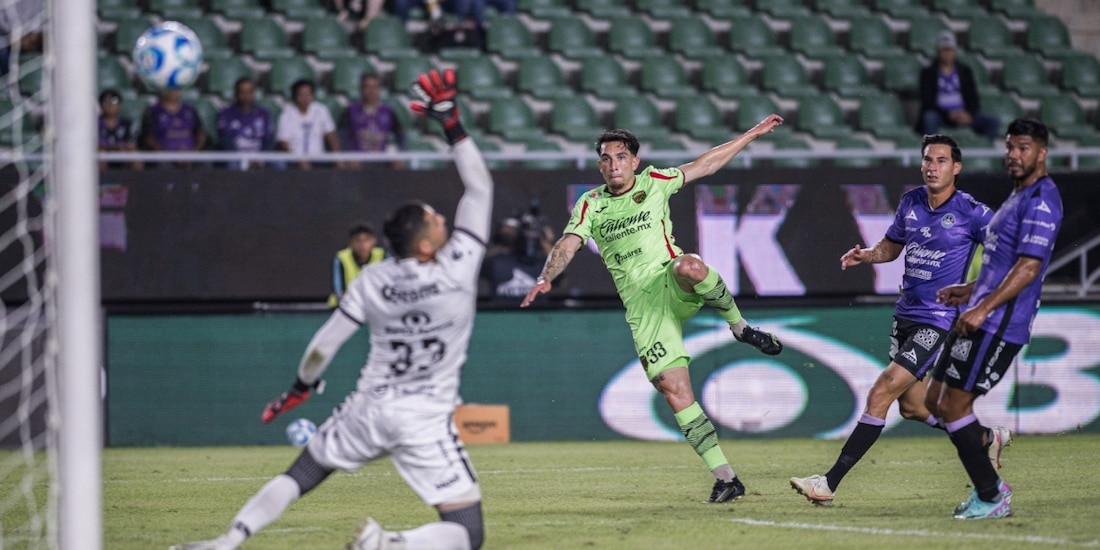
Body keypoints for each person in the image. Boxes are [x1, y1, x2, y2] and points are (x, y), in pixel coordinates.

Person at [170, 69, 491, 550]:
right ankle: (390, 545)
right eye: (434, 218)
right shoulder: (458, 268)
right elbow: (479, 189)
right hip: (424, 417)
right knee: (468, 531)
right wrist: (452, 124)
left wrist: (301, 387)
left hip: (369, 408)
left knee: (301, 473)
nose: (443, 218)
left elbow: (324, 345)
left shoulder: (373, 279)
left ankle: (228, 540)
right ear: (426, 245)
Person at [520, 118, 785, 503]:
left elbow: (706, 164)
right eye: (606, 158)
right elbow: (569, 242)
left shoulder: (656, 181)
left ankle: (740, 327)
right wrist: (546, 277)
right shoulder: (591, 204)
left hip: (669, 281)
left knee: (690, 265)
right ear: (599, 166)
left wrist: (750, 135)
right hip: (643, 308)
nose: (613, 164)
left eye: (621, 157)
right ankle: (726, 478)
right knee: (674, 390)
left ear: (635, 162)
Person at [788, 134, 1003, 507]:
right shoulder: (911, 202)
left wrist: (974, 291)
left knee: (881, 391)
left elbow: (1007, 256)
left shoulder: (973, 212)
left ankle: (827, 483)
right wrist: (868, 255)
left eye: (941, 160)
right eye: (927, 160)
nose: (932, 167)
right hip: (905, 315)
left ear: (956, 167)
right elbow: (892, 246)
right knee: (913, 407)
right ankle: (984, 437)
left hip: (937, 320)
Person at [927, 118, 1062, 520]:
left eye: (1023, 148)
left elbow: (1028, 268)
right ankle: (986, 447)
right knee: (934, 400)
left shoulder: (1041, 200)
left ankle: (991, 494)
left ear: (1042, 153)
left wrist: (983, 307)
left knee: (953, 405)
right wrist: (970, 291)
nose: (1014, 155)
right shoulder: (1017, 196)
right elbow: (1001, 265)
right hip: (980, 312)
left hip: (1000, 322)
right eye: (1009, 147)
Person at [917, 31, 1000, 141]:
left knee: (992, 122)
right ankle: (933, 149)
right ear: (937, 51)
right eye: (944, 50)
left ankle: (984, 149)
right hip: (941, 114)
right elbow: (928, 102)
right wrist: (949, 114)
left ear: (955, 51)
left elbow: (973, 98)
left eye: (950, 49)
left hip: (963, 113)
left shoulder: (965, 71)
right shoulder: (928, 73)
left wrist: (969, 113)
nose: (947, 53)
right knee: (929, 118)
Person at [342, 73, 406, 168]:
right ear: (361, 89)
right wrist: (349, 155)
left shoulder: (388, 111)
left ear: (379, 90)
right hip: (358, 163)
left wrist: (399, 154)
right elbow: (341, 135)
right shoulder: (351, 111)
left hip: (381, 162)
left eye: (374, 87)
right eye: (367, 87)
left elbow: (401, 134)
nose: (371, 91)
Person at [276, 78, 343, 170]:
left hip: (318, 160)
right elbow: (283, 143)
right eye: (301, 95)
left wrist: (338, 157)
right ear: (295, 96)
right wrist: (298, 160)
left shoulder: (321, 111)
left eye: (308, 94)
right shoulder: (286, 115)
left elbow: (331, 136)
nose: (305, 98)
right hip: (294, 161)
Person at [216, 77, 275, 170]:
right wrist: (244, 161)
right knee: (232, 164)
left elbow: (268, 140)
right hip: (236, 157)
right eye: (242, 92)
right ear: (236, 94)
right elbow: (226, 141)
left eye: (249, 92)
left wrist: (260, 159)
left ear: (254, 93)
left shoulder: (263, 114)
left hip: (258, 157)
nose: (246, 96)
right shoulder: (225, 114)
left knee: (278, 163)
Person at [139, 88, 206, 164]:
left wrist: (194, 153)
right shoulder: (152, 112)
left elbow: (201, 133)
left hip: (191, 155)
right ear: (161, 90)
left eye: (176, 88)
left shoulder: (190, 109)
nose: (172, 92)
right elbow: (149, 138)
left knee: (205, 164)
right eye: (169, 88)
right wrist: (169, 156)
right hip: (165, 158)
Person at [326, 223, 386, 307]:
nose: (362, 245)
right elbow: (339, 291)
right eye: (358, 241)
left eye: (366, 240)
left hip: (377, 306)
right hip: (345, 306)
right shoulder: (342, 258)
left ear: (374, 241)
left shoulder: (382, 255)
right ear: (350, 243)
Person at [97, 89, 142, 170]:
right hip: (103, 154)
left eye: (114, 101)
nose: (110, 105)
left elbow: (131, 144)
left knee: (134, 154)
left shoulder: (127, 124)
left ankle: (137, 178)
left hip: (123, 153)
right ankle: (102, 178)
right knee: (101, 153)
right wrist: (115, 147)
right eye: (106, 102)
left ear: (120, 105)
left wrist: (118, 148)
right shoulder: (94, 124)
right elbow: (96, 144)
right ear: (101, 105)